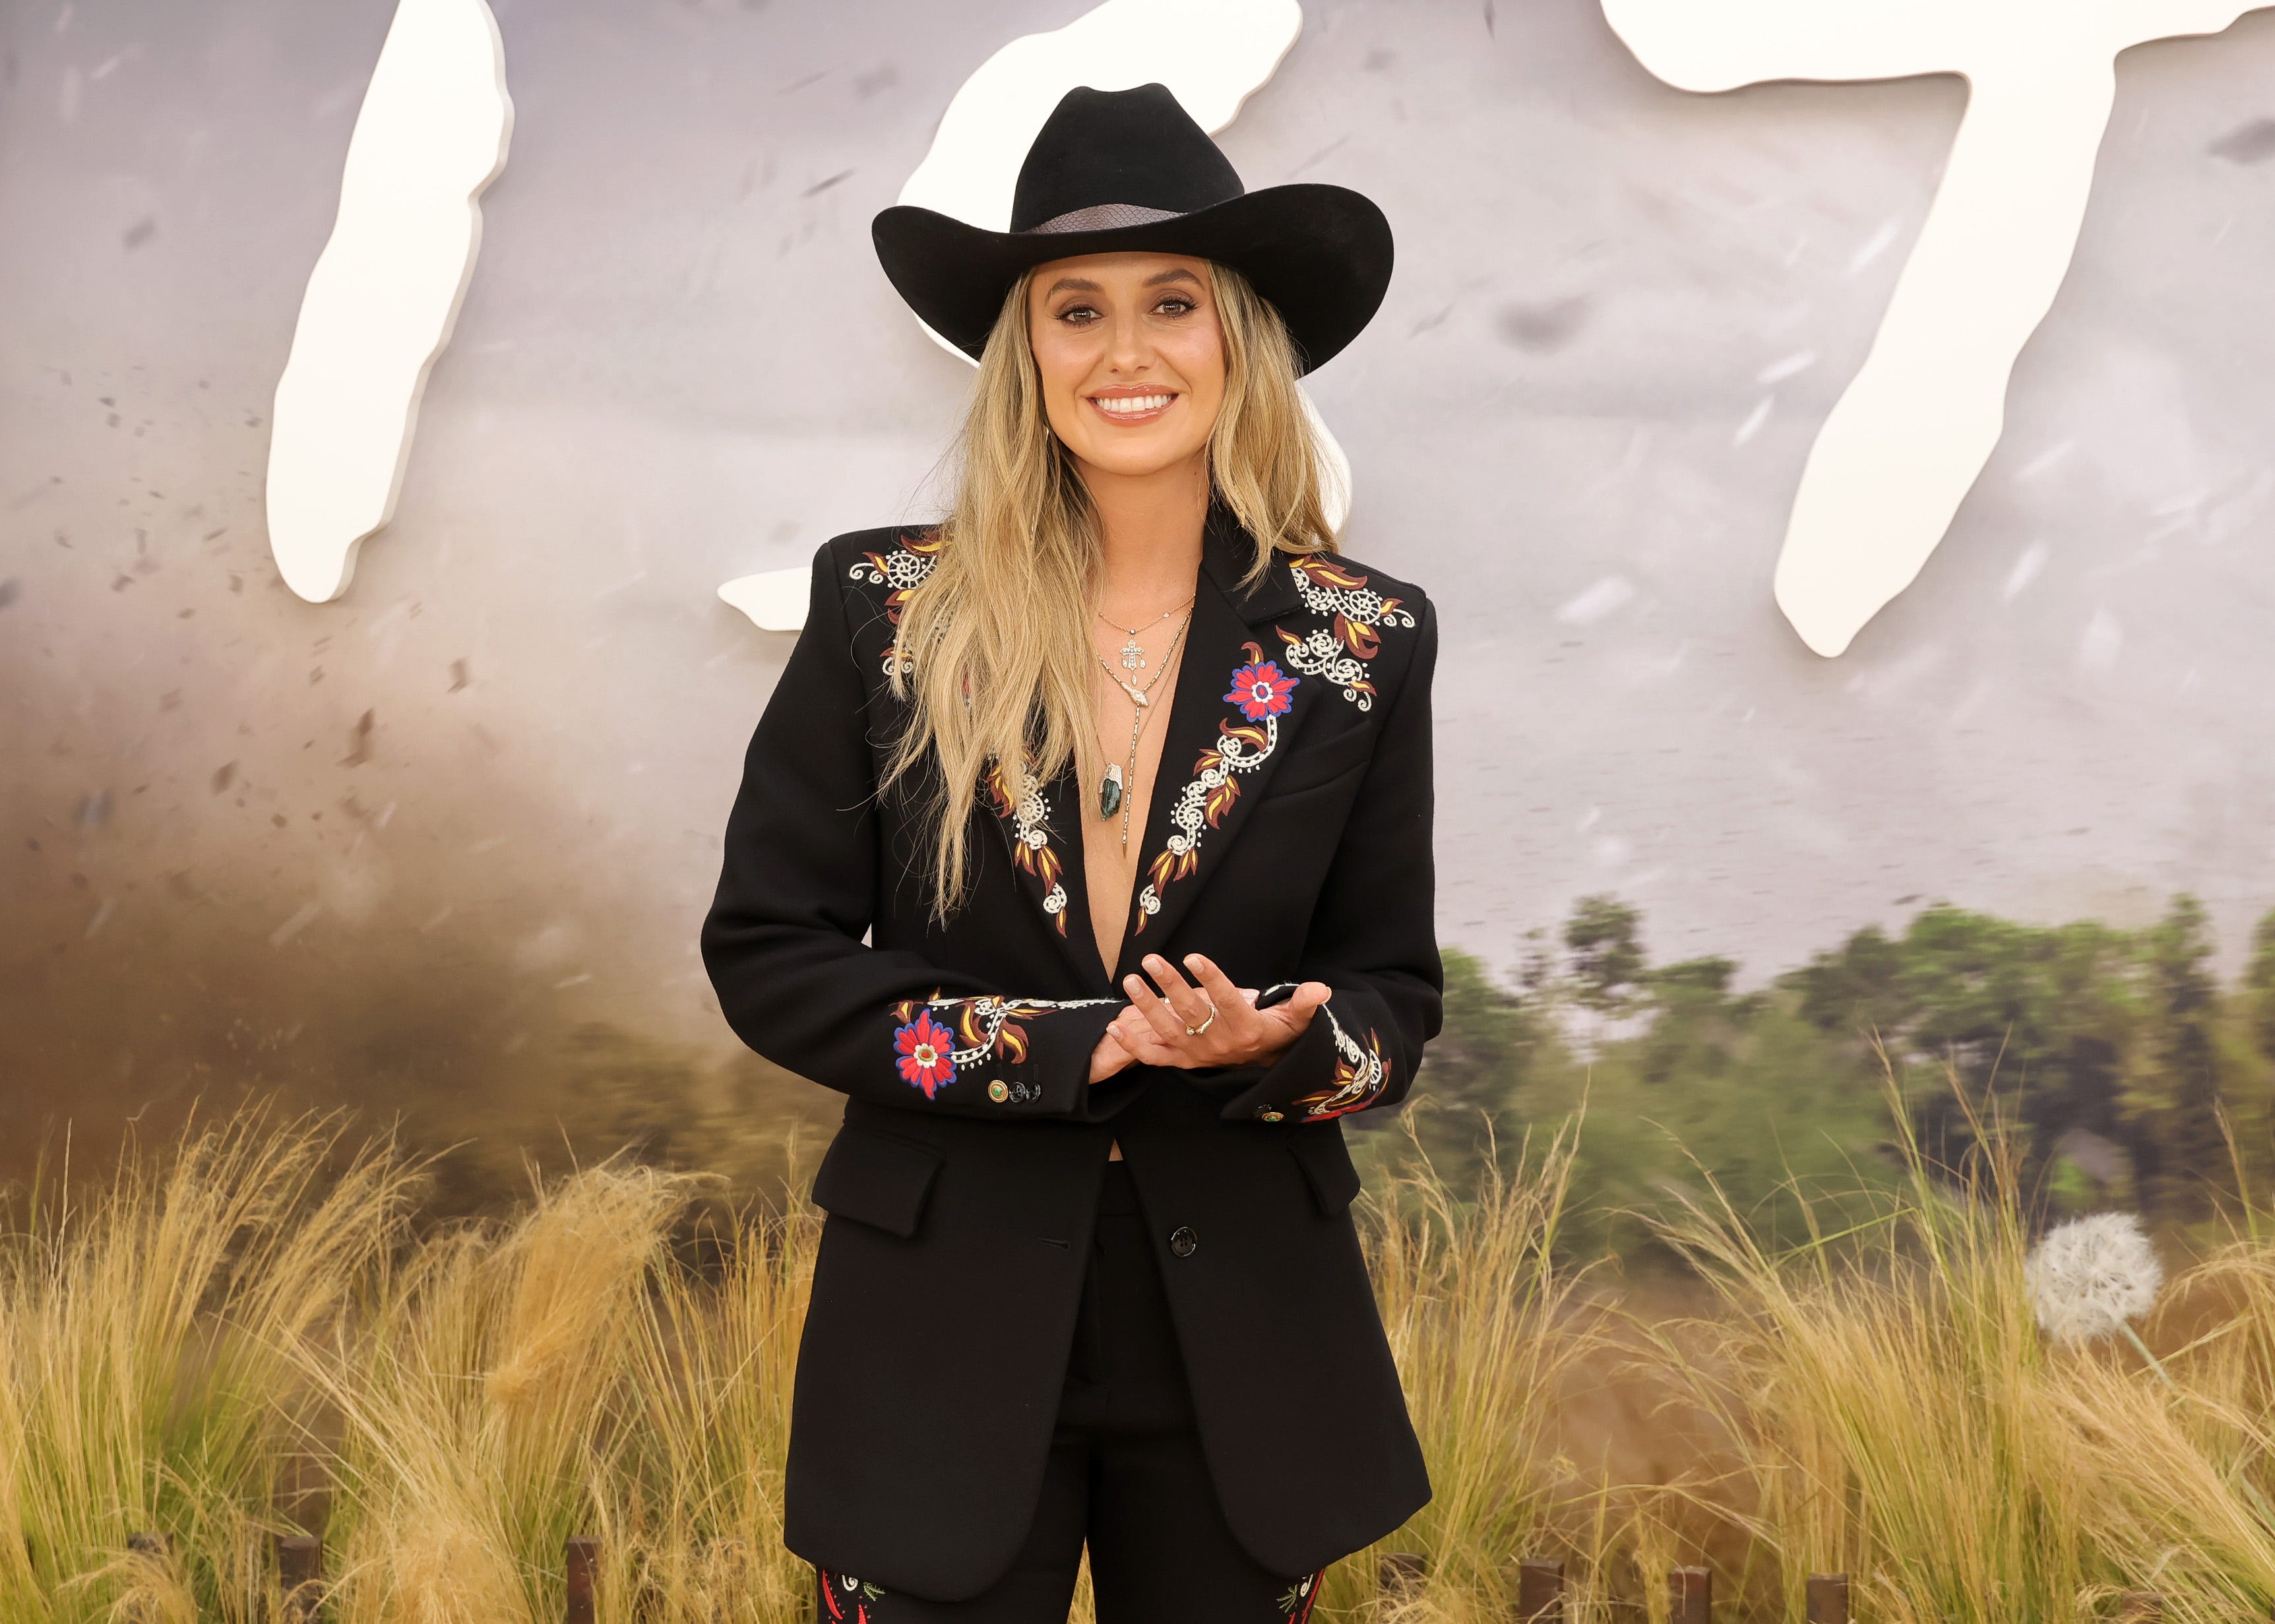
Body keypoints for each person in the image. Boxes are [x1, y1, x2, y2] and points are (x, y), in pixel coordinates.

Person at [701, 82, 1439, 1624]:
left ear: (1239, 338)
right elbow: (768, 954)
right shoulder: (883, 609)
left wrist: (1285, 1044)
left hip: (1247, 1343)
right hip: (935, 1342)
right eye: (1074, 309)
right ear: (1020, 354)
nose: (1124, 352)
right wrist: (1059, 1047)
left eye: (1173, 303)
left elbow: (1392, 1000)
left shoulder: (1365, 641)